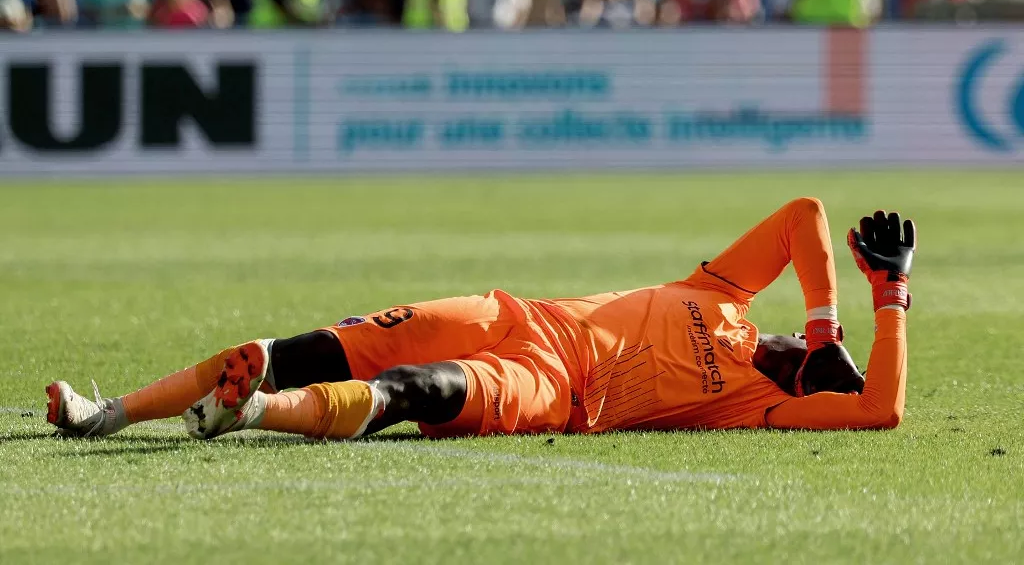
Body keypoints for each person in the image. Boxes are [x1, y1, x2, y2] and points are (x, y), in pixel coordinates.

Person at [46, 199, 914, 441]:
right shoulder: (725, 292)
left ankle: (252, 412)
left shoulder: (749, 402)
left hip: (552, 387)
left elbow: (880, 409)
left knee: (410, 392)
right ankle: (106, 413)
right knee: (297, 349)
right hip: (508, 315)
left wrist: (891, 304)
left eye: (806, 371)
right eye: (806, 353)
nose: (797, 359)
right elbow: (805, 214)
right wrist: (837, 324)